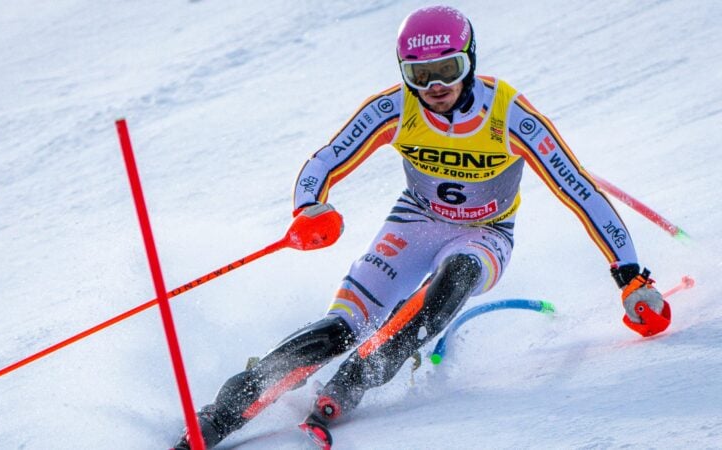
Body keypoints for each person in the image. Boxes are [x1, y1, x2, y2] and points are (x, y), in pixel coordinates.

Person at [174, 5, 671, 449]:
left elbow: (580, 192)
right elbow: (325, 162)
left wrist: (631, 278)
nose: (435, 87)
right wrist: (309, 207)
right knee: (340, 326)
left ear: (470, 60)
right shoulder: (396, 107)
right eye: (420, 74)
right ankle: (219, 417)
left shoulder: (508, 114)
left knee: (455, 275)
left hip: (486, 232)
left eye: (448, 70)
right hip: (413, 225)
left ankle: (353, 382)